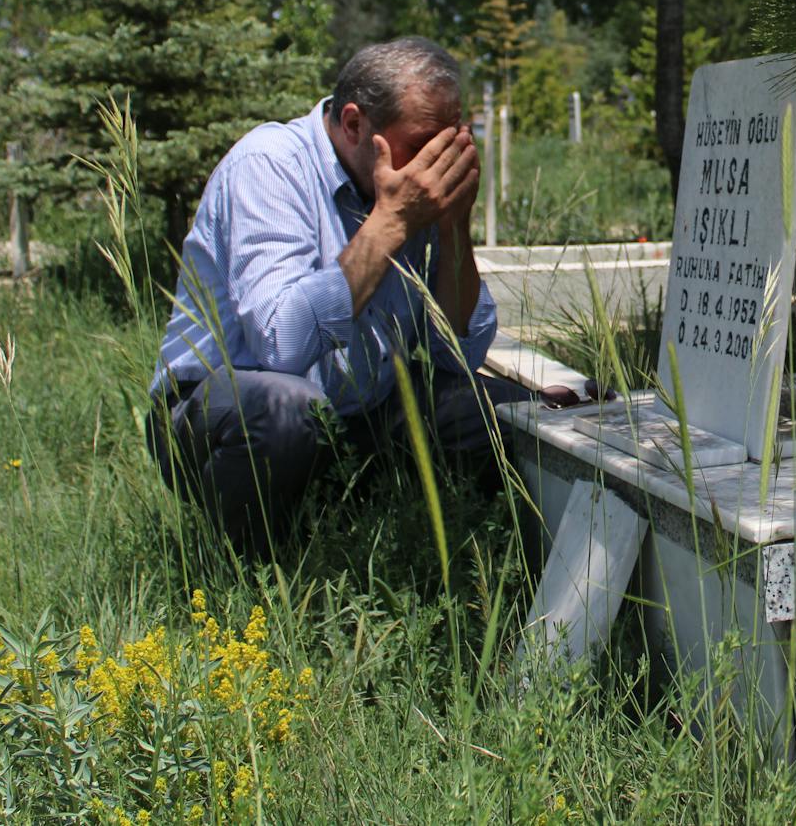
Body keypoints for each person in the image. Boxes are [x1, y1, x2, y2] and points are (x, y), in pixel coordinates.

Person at [148, 37, 524, 552]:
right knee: (291, 409)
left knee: (510, 414)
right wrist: (390, 223)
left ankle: (427, 554)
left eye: (453, 142)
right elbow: (282, 346)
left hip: (359, 410)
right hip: (219, 417)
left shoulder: (412, 187)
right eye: (424, 145)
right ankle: (244, 577)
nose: (439, 164)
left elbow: (457, 354)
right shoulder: (269, 164)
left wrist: (456, 224)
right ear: (354, 125)